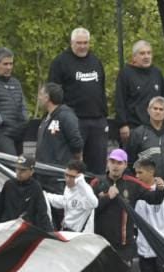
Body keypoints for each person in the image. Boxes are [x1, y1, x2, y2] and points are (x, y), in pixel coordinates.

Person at [49, 28, 110, 175]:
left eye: (85, 43)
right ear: (71, 43)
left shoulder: (96, 61)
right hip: (74, 121)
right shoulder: (60, 62)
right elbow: (53, 94)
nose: (82, 46)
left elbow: (101, 89)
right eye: (79, 43)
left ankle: (96, 195)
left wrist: (104, 116)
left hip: (97, 121)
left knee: (98, 166)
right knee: (74, 165)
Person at [116, 41, 164, 145]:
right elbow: (119, 101)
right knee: (134, 161)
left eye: (149, 53)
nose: (146, 56)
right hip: (134, 129)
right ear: (134, 57)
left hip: (155, 128)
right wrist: (123, 124)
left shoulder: (157, 73)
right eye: (142, 53)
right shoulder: (125, 74)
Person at [35, 84, 85, 180]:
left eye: (41, 94)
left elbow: (76, 143)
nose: (39, 97)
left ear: (47, 97)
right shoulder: (46, 118)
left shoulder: (66, 116)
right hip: (43, 173)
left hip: (58, 175)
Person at [128, 97, 164, 187]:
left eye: (161, 109)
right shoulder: (138, 133)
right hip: (145, 185)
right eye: (155, 108)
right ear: (148, 110)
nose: (158, 111)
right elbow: (131, 159)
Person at [0, 156, 53, 231]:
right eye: (17, 169)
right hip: (7, 229)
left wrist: (50, 234)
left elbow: (42, 213)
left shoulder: (36, 187)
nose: (19, 172)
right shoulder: (8, 185)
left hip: (25, 231)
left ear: (32, 171)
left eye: (23, 170)